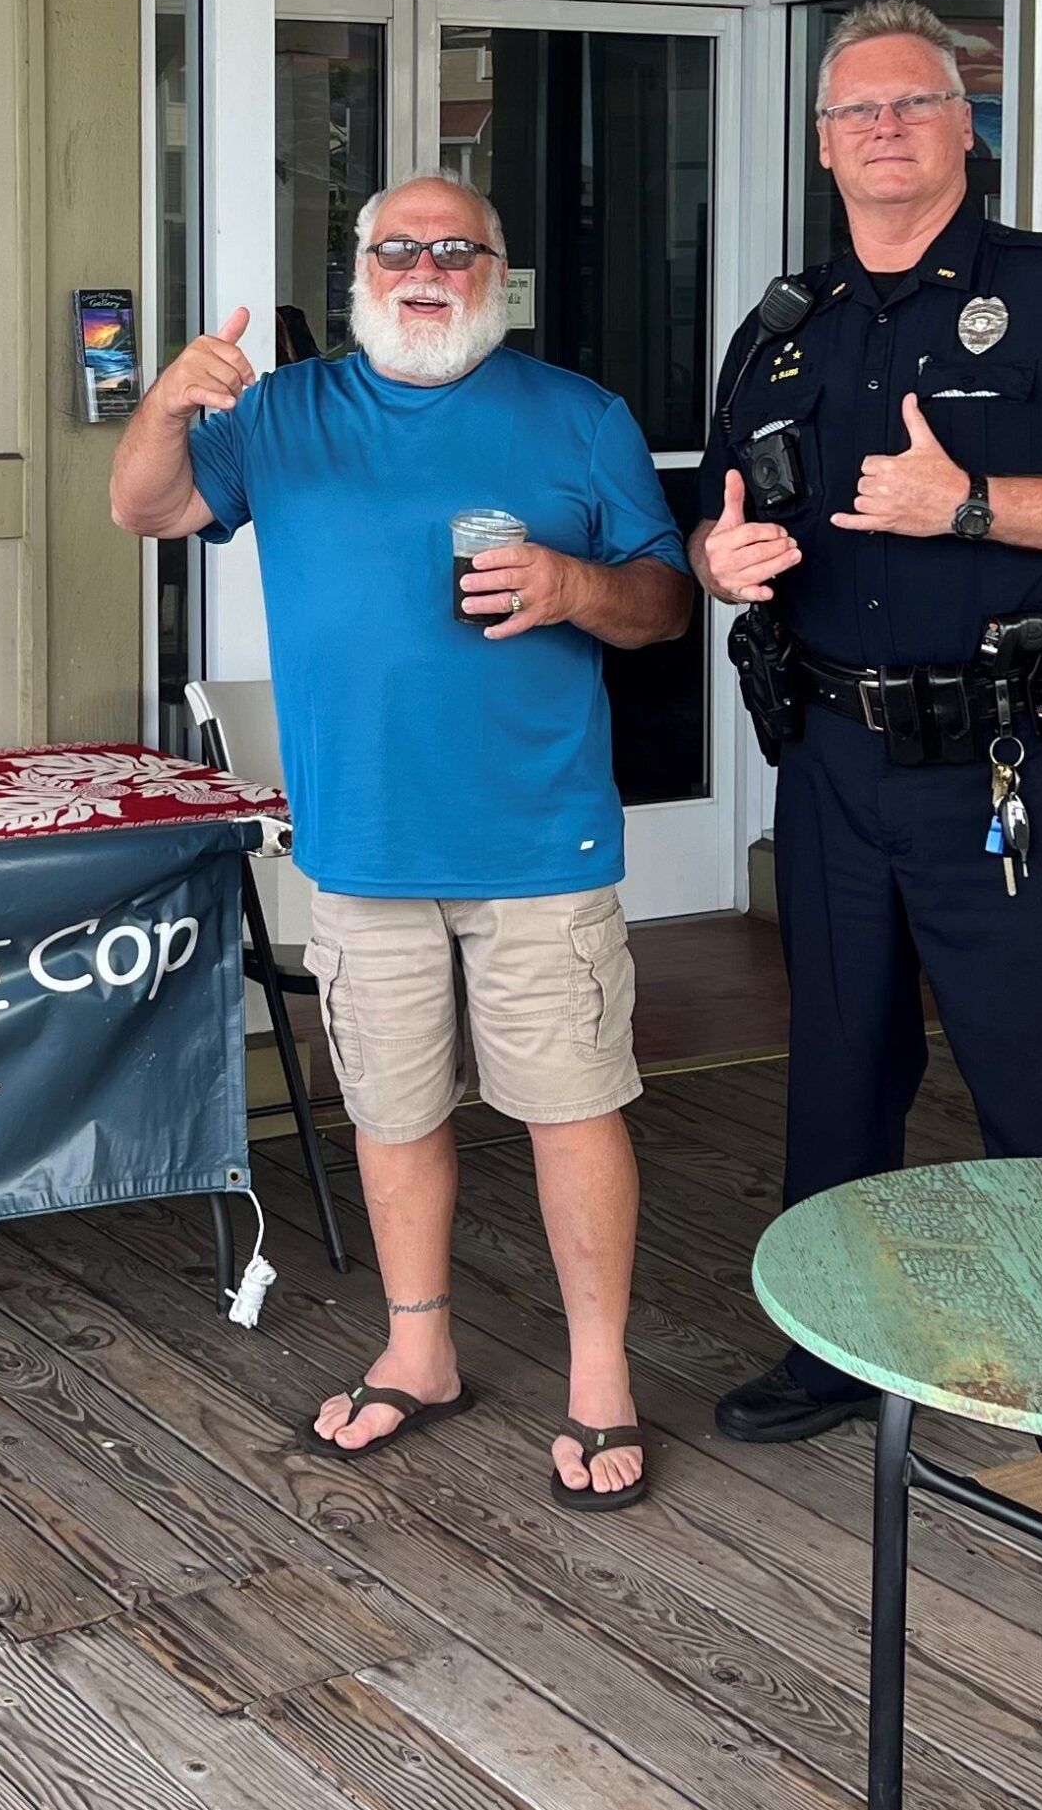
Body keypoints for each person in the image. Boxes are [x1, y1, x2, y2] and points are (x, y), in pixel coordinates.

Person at [113, 172, 692, 1506]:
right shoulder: (286, 413)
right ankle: (419, 1345)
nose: (425, 266)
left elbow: (663, 604)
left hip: (539, 845)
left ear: (499, 271)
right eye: (396, 248)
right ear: (361, 265)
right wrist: (166, 401)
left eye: (456, 248)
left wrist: (570, 583)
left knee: (570, 1107)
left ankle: (600, 1375)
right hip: (361, 846)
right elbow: (143, 509)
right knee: (391, 1108)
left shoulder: (576, 415)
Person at [695, 0, 1042, 1444]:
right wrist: (711, 561)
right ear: (821, 145)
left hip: (1014, 760)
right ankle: (838, 1343)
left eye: (911, 104)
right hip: (836, 758)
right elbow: (717, 517)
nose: (882, 130)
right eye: (855, 112)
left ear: (965, 127)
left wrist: (973, 504)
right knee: (841, 1064)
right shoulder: (782, 328)